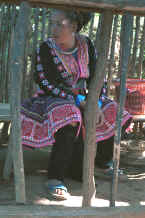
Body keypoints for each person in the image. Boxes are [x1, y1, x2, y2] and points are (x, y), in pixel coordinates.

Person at [21, 9, 132, 200]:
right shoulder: (45, 49)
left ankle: (102, 162)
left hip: (87, 98)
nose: (53, 29)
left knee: (113, 110)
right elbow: (45, 81)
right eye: (52, 23)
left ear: (74, 26)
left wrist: (95, 101)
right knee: (70, 115)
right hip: (53, 98)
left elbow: (98, 77)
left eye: (59, 24)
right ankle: (55, 176)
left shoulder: (86, 44)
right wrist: (80, 101)